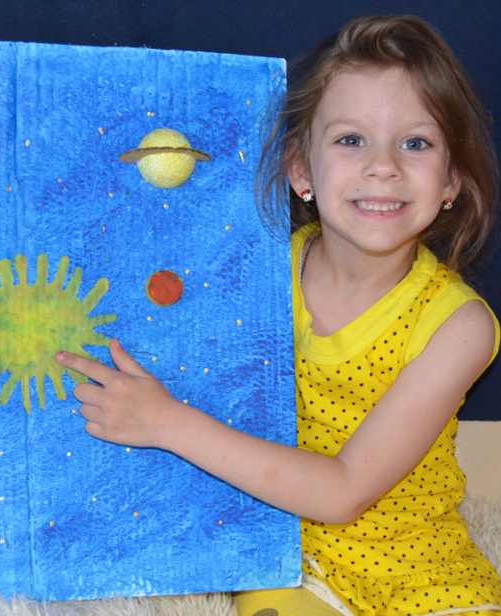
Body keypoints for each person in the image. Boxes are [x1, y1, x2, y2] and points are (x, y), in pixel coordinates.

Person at [55, 15, 501, 616]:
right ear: (300, 170)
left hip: (421, 571)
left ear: (451, 181)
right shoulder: (258, 273)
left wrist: (168, 423)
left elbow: (344, 491)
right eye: (351, 140)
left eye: (415, 143)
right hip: (288, 557)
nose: (383, 166)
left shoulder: (460, 325)